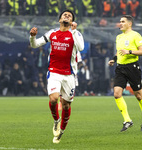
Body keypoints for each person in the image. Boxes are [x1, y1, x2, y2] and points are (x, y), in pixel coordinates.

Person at [29, 10, 84, 143]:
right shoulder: (52, 33)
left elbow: (81, 48)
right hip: (54, 72)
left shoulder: (75, 34)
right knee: (54, 99)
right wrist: (32, 37)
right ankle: (56, 120)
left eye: (69, 16)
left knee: (66, 105)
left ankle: (62, 130)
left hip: (70, 75)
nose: (67, 16)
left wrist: (74, 31)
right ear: (59, 20)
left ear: (72, 21)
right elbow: (35, 45)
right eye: (64, 15)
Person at [108, 15, 142, 132]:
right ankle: (127, 120)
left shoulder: (136, 35)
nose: (120, 23)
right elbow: (119, 52)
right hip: (120, 68)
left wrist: (129, 51)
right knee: (116, 94)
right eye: (120, 21)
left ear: (129, 24)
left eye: (123, 21)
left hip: (132, 68)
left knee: (139, 96)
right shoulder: (119, 37)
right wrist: (114, 59)